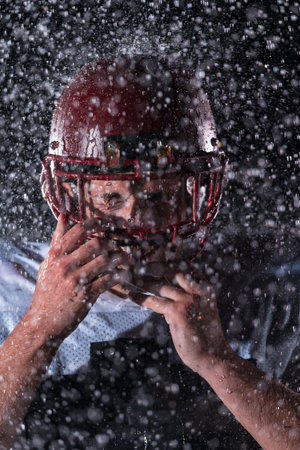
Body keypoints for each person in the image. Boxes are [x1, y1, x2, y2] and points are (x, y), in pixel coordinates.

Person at [0, 56, 299, 450]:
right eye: (110, 196)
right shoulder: (8, 284)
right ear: (71, 195)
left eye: (159, 195)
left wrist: (219, 362)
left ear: (197, 194)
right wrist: (37, 327)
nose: (136, 219)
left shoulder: (269, 289)